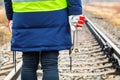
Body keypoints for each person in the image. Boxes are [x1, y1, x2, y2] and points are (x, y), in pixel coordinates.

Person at [4, 0, 84, 80]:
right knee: (50, 63)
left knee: (29, 62)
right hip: (54, 14)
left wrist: (10, 16)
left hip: (24, 15)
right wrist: (75, 12)